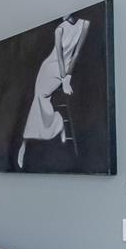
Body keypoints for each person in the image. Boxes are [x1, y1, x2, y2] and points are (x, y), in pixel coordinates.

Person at [16, 15, 90, 169]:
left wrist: (67, 78)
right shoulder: (59, 29)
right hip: (50, 68)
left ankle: (29, 140)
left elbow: (76, 54)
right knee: (39, 98)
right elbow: (59, 58)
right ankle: (26, 142)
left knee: (39, 101)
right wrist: (64, 79)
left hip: (67, 69)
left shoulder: (85, 24)